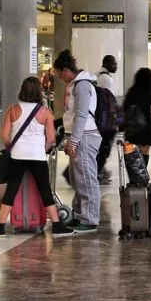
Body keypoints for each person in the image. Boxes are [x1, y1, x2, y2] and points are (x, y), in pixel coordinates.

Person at [0, 77, 75, 236]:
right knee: (45, 190)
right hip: (37, 156)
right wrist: (42, 149)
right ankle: (57, 225)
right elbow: (51, 139)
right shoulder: (45, 112)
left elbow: (4, 135)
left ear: (21, 90)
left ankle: (0, 226)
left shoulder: (12, 110)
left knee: (11, 190)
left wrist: (11, 146)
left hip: (17, 156)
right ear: (39, 92)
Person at [54, 50, 101, 233]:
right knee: (78, 179)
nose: (59, 78)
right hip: (78, 136)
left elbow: (81, 115)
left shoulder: (82, 85)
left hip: (86, 137)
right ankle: (80, 214)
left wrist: (73, 141)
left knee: (87, 179)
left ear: (66, 70)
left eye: (59, 74)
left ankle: (90, 220)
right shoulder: (75, 85)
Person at [95, 55, 119, 184]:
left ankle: (100, 171)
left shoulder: (98, 75)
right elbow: (110, 101)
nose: (116, 66)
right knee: (104, 148)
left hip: (100, 119)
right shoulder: (106, 79)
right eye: (114, 64)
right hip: (106, 120)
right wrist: (115, 120)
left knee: (101, 147)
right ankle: (98, 173)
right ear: (107, 63)